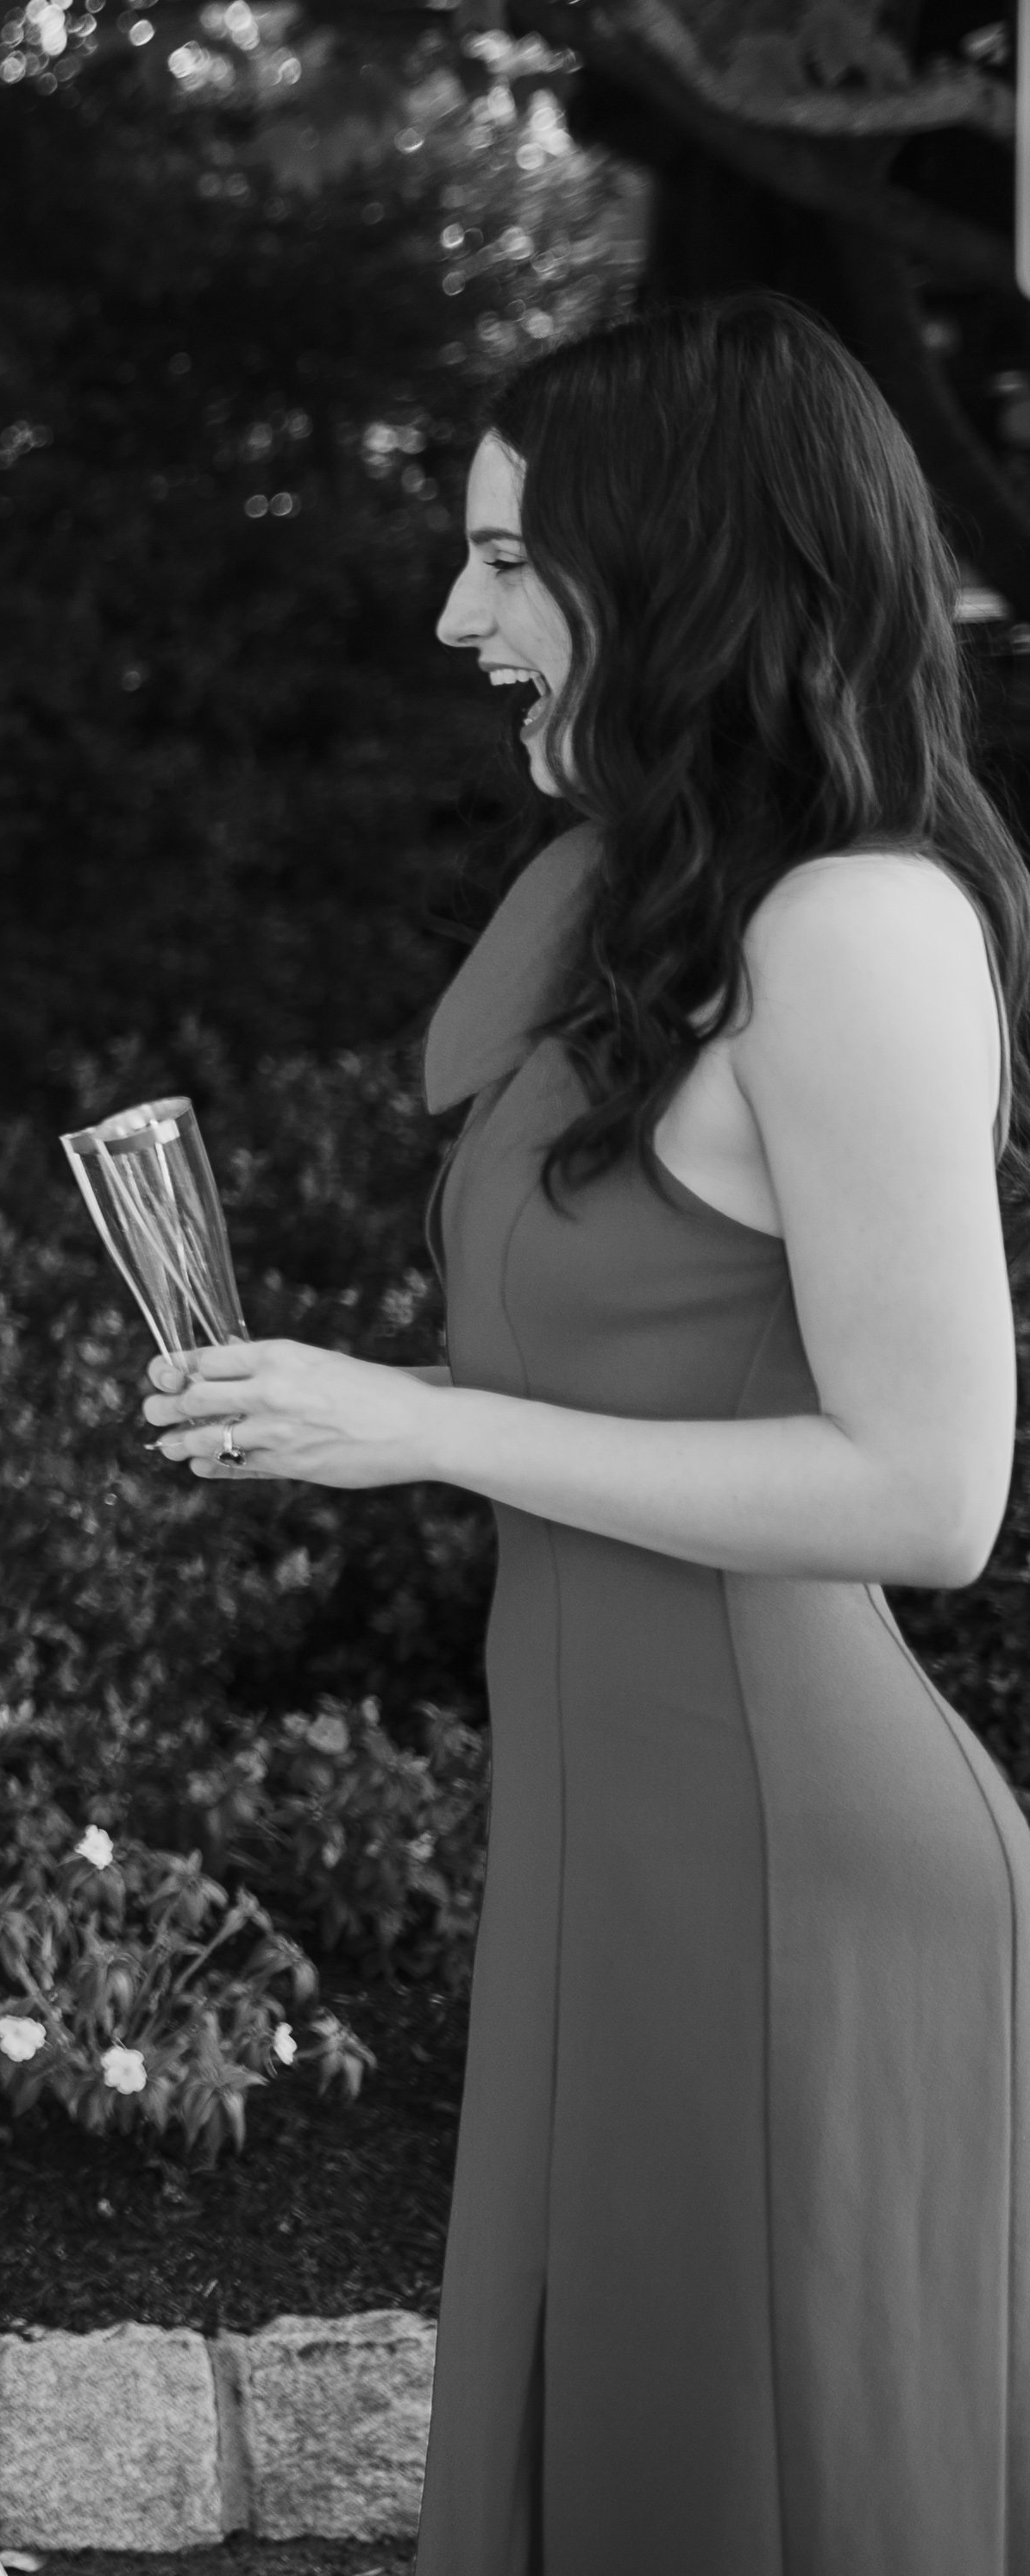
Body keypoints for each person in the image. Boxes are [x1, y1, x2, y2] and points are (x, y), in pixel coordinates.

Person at [141, 295, 1030, 2573]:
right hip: (601, 1834)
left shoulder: (856, 926)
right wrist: (337, 1411)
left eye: (504, 561)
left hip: (777, 1862)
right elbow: (622, 1369)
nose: (456, 620)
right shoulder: (626, 914)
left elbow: (925, 1493)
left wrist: (427, 1429)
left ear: (682, 562)